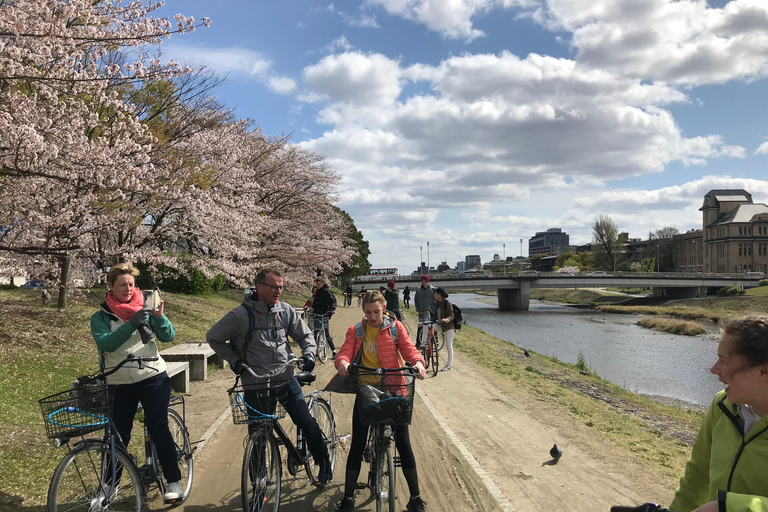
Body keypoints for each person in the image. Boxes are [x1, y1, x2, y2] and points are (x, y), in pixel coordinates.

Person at [206, 269, 332, 486]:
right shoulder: (240, 316)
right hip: (255, 383)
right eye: (274, 287)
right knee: (258, 434)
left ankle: (324, 462)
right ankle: (258, 480)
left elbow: (305, 335)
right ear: (259, 287)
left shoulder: (285, 310)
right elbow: (213, 338)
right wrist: (235, 360)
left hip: (285, 378)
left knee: (305, 421)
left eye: (281, 286)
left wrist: (309, 353)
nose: (278, 291)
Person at [90, 263, 183, 502]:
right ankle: (110, 486)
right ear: (110, 286)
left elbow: (169, 336)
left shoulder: (146, 309)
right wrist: (132, 323)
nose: (128, 289)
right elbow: (107, 344)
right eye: (122, 284)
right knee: (117, 435)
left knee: (157, 425)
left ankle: (173, 481)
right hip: (118, 380)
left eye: (131, 285)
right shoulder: (100, 317)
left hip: (152, 376)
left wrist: (159, 319)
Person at [329, 290, 428, 512]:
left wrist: (418, 362)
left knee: (403, 442)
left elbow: (408, 349)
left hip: (395, 387)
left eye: (376, 311)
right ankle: (348, 498)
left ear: (383, 308)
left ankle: (415, 498)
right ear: (363, 312)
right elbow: (345, 351)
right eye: (368, 312)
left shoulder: (395, 327)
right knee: (358, 442)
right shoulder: (356, 330)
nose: (373, 317)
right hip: (367, 390)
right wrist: (343, 362)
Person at [669, 315, 768, 512]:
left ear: (763, 372)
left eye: (723, 360)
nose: (714, 369)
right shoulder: (721, 404)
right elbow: (697, 475)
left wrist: (729, 507)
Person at [313, 276, 338, 358]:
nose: (317, 286)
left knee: (326, 333)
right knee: (316, 333)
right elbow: (315, 303)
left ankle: (334, 351)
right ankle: (316, 352)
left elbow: (333, 301)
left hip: (325, 314)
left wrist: (331, 310)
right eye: (316, 284)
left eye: (319, 284)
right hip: (317, 314)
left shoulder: (326, 291)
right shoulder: (317, 292)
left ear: (323, 284)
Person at [432, 287, 455, 371]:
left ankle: (449, 365)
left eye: (435, 293)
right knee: (429, 326)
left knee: (449, 346)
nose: (434, 295)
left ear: (439, 294)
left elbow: (452, 315)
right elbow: (434, 317)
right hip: (441, 326)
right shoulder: (437, 303)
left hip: (449, 327)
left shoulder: (447, 303)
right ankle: (427, 343)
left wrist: (446, 319)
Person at [414, 275, 435, 349]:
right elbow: (416, 300)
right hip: (421, 312)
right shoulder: (419, 289)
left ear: (426, 281)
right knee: (420, 327)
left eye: (422, 280)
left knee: (432, 327)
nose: (421, 281)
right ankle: (418, 343)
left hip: (430, 312)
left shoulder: (433, 289)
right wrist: (418, 309)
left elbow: (436, 300)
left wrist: (433, 309)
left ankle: (435, 343)